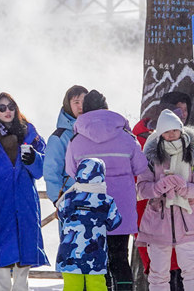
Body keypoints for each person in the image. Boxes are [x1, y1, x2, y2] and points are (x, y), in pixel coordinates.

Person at [65, 89, 149, 291]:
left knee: (97, 260)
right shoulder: (126, 137)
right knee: (119, 256)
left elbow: (71, 171)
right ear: (106, 108)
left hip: (90, 208)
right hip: (122, 206)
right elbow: (141, 167)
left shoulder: (76, 140)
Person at [0, 93, 48, 290]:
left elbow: (40, 171)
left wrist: (34, 159)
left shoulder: (29, 132)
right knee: (0, 259)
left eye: (11, 106)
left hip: (24, 199)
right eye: (2, 108)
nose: (7, 111)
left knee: (23, 259)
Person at [136, 109, 194, 291]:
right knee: (158, 272)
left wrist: (184, 188)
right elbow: (142, 189)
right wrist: (159, 187)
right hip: (157, 222)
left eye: (174, 130)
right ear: (160, 134)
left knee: (192, 269)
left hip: (187, 220)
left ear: (181, 130)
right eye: (167, 131)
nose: (171, 134)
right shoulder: (151, 158)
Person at [56, 158, 122, 291]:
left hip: (69, 253)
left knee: (72, 286)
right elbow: (114, 223)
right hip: (95, 253)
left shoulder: (69, 198)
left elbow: (60, 215)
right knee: (96, 285)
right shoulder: (106, 201)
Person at [44, 85, 87, 205]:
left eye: (84, 101)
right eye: (76, 102)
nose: (81, 106)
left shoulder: (94, 132)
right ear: (68, 105)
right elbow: (51, 172)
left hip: (95, 201)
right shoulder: (59, 137)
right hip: (70, 201)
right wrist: (59, 201)